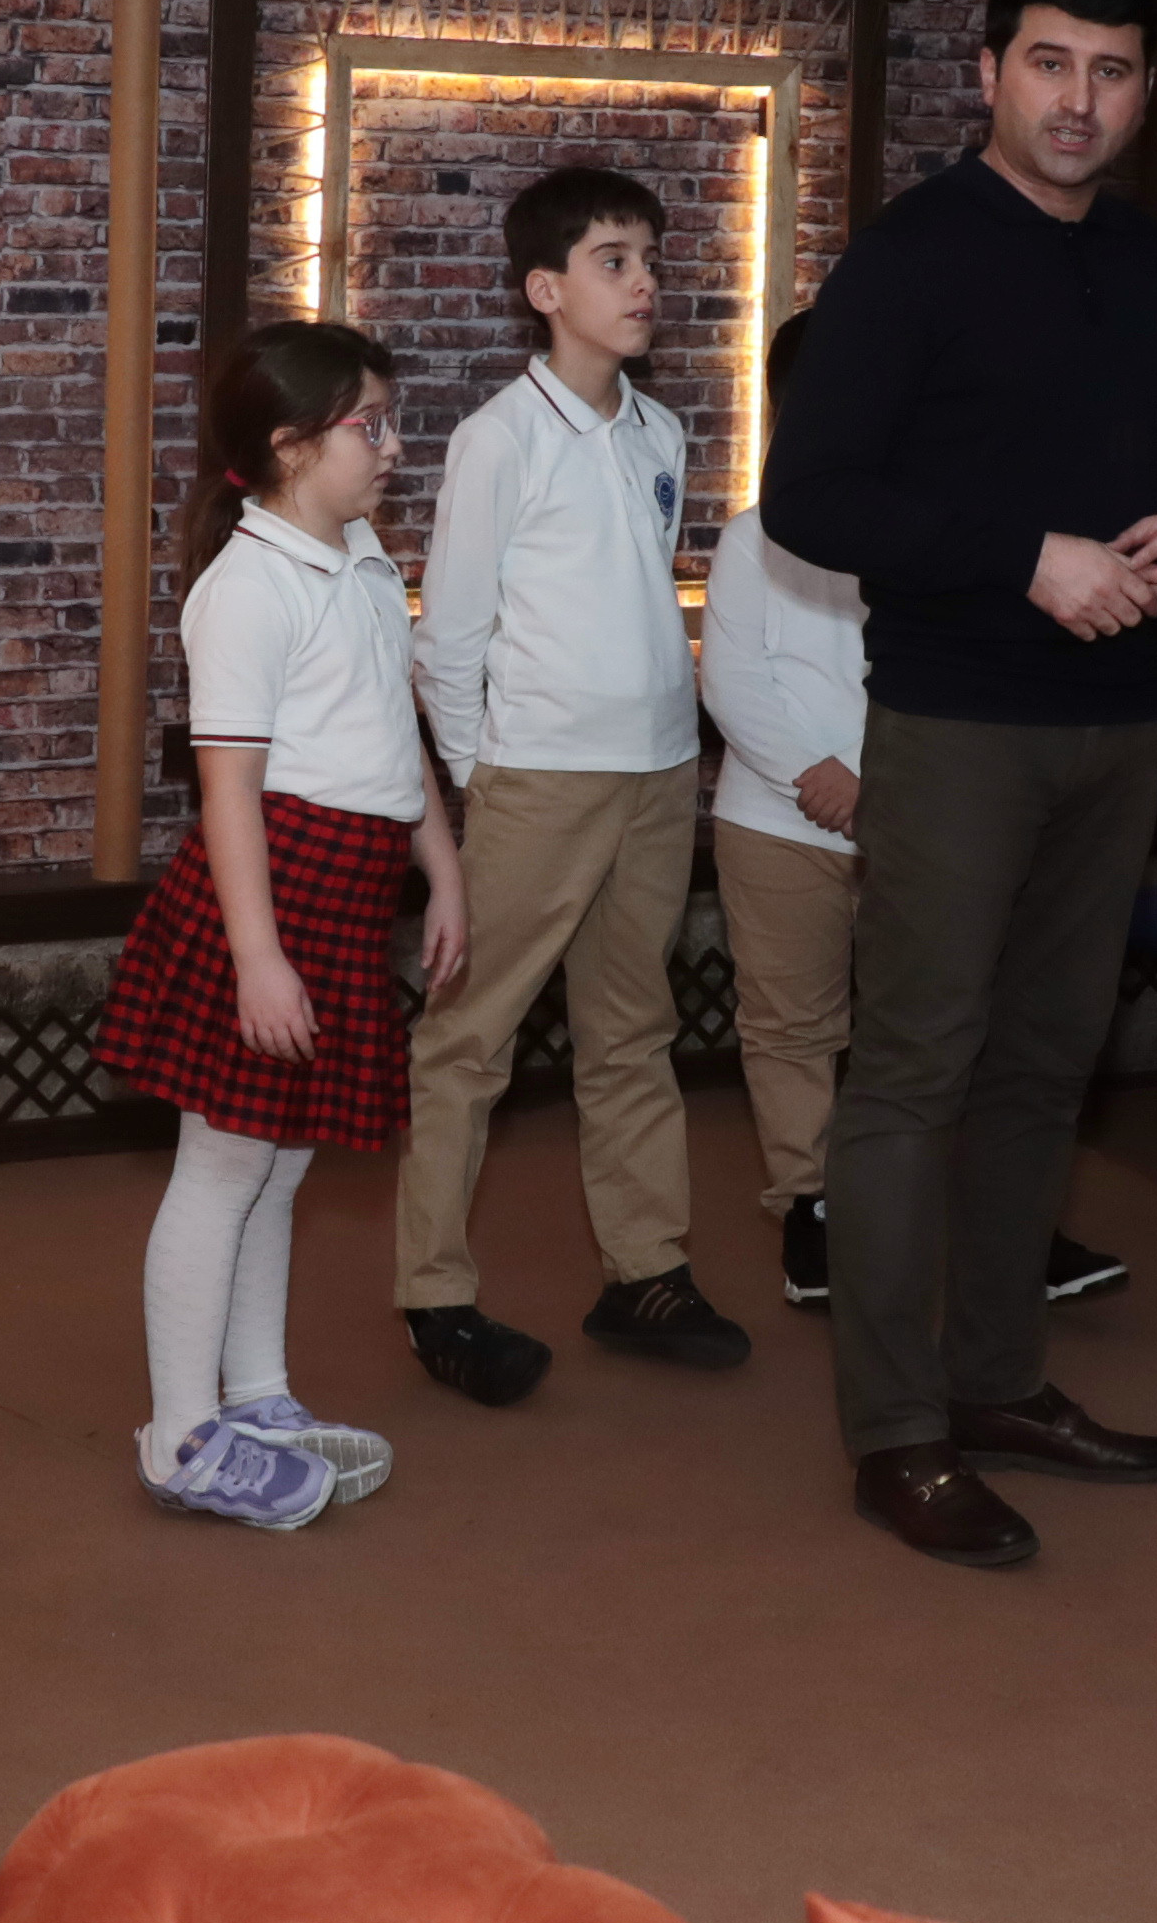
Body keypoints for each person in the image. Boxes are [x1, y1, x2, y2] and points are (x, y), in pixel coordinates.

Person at [758, 0, 1157, 1571]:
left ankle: (997, 1381)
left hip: (1120, 723)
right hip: (959, 720)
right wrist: (1023, 555)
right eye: (1050, 63)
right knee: (913, 1076)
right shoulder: (910, 258)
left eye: (1111, 70)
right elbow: (812, 497)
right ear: (989, 74)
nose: (1078, 99)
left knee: (1046, 1068)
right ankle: (897, 1433)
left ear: (1145, 94)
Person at [89, 322, 468, 1530]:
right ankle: (180, 1434)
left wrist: (443, 865)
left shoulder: (359, 551)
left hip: (347, 891)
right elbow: (228, 792)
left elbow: (392, 726)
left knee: (283, 1158)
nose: (393, 446)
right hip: (272, 890)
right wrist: (257, 958)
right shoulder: (246, 588)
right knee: (224, 1160)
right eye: (371, 425)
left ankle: (254, 1394)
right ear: (293, 444)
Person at [390, 163, 742, 1404]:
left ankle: (645, 1270)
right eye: (613, 260)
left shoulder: (659, 430)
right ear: (545, 290)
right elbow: (450, 633)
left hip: (658, 772)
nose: (644, 282)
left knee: (634, 1030)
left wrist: (670, 747)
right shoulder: (500, 438)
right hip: (538, 778)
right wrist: (483, 775)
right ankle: (434, 1294)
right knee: (467, 1040)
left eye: (650, 259)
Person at [700, 308, 868, 1317]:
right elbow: (731, 681)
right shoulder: (752, 537)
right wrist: (821, 775)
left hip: (913, 813)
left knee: (923, 1021)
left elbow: (935, 673)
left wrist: (876, 779)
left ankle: (916, 1199)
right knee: (791, 1026)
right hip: (776, 819)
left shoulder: (920, 529)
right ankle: (809, 1203)